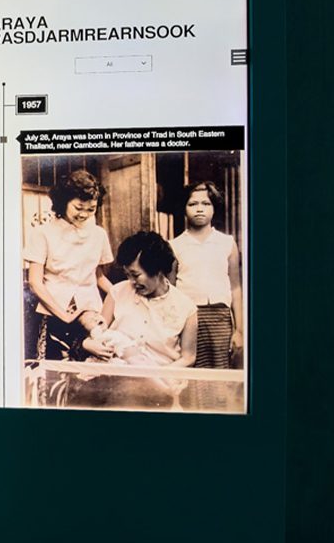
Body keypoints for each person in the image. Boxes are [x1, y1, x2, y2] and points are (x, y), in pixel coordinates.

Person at [83, 231, 198, 406]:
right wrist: (88, 344)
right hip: (116, 383)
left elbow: (188, 357)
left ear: (157, 269)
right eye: (127, 275)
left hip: (161, 387)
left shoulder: (186, 307)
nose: (131, 281)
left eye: (135, 275)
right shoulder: (117, 293)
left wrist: (157, 376)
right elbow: (98, 332)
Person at [23, 169, 113, 360]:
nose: (84, 214)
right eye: (78, 208)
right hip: (53, 313)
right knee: (54, 368)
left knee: (91, 367)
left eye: (91, 209)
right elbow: (35, 282)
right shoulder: (42, 233)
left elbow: (99, 277)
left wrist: (123, 295)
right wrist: (64, 315)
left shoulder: (99, 235)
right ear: (63, 202)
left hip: (90, 314)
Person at [170, 181, 243, 370]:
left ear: (214, 207)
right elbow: (171, 292)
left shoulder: (227, 243)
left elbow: (235, 288)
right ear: (184, 208)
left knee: (221, 371)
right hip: (189, 318)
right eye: (192, 204)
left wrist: (240, 330)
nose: (199, 209)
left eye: (206, 203)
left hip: (220, 319)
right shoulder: (175, 246)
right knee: (192, 369)